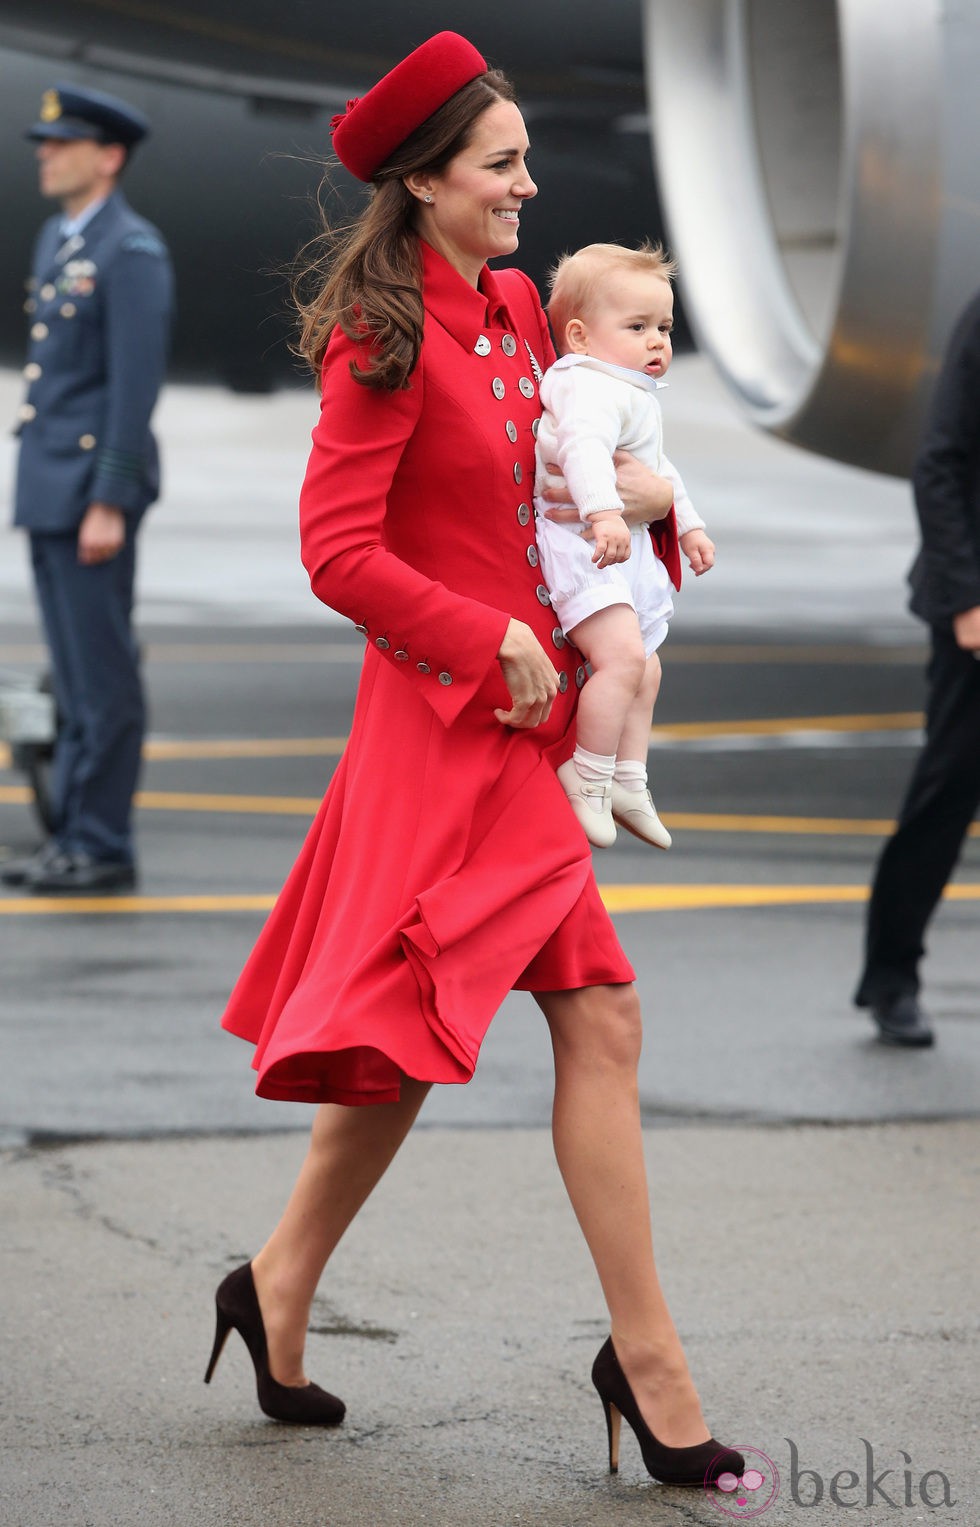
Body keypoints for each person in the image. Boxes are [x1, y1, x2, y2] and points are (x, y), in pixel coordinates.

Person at [206, 33, 744, 1490]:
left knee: (437, 1036)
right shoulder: (380, 344)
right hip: (453, 727)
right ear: (428, 179)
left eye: (521, 159)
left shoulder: (517, 306)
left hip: (529, 719)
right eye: (501, 163)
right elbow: (338, 554)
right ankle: (648, 1363)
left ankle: (279, 1281)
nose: (527, 184)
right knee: (553, 1020)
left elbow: (573, 458)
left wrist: (648, 494)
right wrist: (480, 635)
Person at [1, 84, 174, 895]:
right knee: (72, 673)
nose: (44, 153)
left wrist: (110, 495)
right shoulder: (61, 240)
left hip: (89, 492)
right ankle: (71, 833)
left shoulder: (129, 250)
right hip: (50, 483)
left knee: (101, 674)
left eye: (61, 142)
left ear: (107, 156)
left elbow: (132, 390)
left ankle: (102, 841)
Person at [533, 242, 714, 849]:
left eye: (664, 326)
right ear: (580, 336)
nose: (657, 340)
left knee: (648, 667)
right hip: (583, 542)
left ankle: (627, 777)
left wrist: (685, 524)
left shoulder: (628, 390)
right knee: (621, 661)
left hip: (616, 543)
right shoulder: (587, 387)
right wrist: (604, 512)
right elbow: (583, 450)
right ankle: (587, 770)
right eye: (636, 327)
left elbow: (659, 469)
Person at [854, 290, 980, 1047]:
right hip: (974, 608)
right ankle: (891, 975)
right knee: (947, 792)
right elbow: (938, 463)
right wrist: (966, 600)